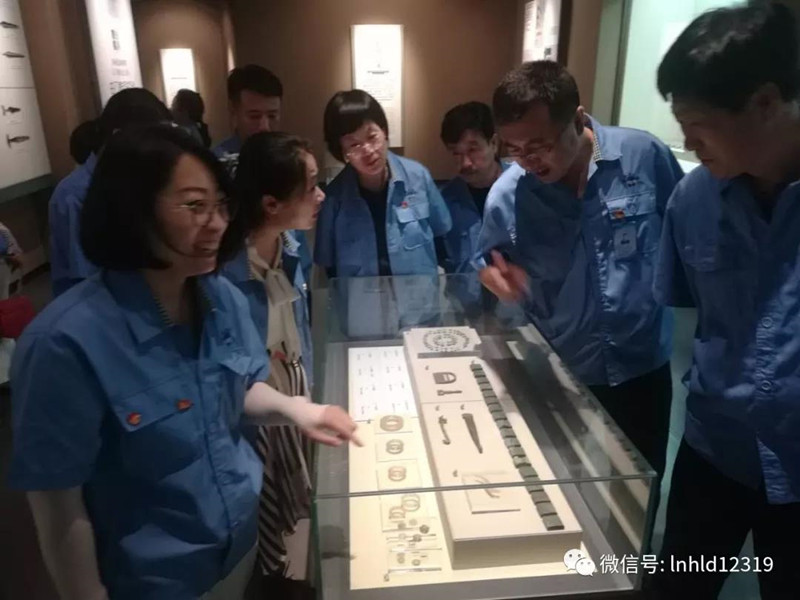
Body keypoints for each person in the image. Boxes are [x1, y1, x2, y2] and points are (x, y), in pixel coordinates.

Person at [9, 124, 359, 600]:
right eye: (194, 207)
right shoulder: (63, 343)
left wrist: (300, 410)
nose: (216, 223)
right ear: (133, 211)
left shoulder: (219, 296)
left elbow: (237, 387)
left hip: (241, 551)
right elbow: (58, 507)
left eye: (220, 205)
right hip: (154, 583)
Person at [477, 61, 683, 485]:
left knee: (640, 488)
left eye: (538, 145)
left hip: (642, 363)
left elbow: (685, 229)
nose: (527, 161)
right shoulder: (508, 195)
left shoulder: (643, 156)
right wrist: (493, 277)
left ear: (577, 119)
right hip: (561, 369)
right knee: (567, 487)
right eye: (513, 149)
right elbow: (482, 261)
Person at [653, 4, 800, 596]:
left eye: (698, 123)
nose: (687, 141)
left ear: (765, 102)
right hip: (713, 452)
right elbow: (691, 315)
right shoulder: (692, 200)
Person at [223, 131, 323, 578]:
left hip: (292, 381)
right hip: (257, 402)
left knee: (291, 497)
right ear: (271, 204)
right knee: (261, 496)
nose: (320, 196)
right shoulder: (225, 274)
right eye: (310, 187)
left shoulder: (291, 247)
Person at [314, 89, 452, 279]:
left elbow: (442, 238)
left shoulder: (418, 176)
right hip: (361, 298)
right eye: (354, 145)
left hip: (417, 296)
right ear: (342, 151)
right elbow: (328, 267)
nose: (368, 150)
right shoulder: (333, 198)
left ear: (384, 132)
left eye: (372, 137)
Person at [48, 88, 171, 297]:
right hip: (92, 304)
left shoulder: (127, 179)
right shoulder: (75, 194)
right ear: (119, 136)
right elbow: (86, 276)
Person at [439, 101, 510, 274]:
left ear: (494, 143)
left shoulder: (521, 187)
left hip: (518, 290)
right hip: (465, 292)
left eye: (472, 150)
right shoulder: (445, 201)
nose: (465, 163)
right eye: (456, 153)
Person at [214, 64, 283, 161]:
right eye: (254, 116)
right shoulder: (216, 163)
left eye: (272, 116)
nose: (265, 127)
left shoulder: (288, 159)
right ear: (233, 111)